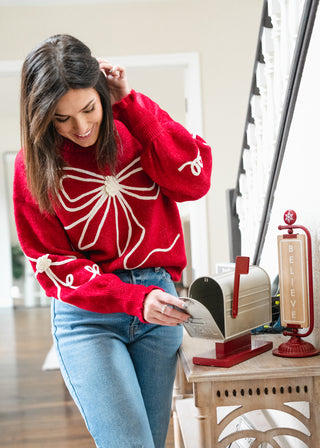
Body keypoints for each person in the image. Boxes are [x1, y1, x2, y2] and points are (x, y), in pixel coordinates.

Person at [13, 34, 212, 448]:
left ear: (102, 93)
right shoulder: (31, 168)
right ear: (40, 117)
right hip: (88, 316)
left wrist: (131, 104)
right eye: (61, 119)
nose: (82, 128)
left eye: (89, 108)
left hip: (159, 307)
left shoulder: (134, 127)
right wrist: (132, 299)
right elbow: (53, 261)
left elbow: (194, 179)